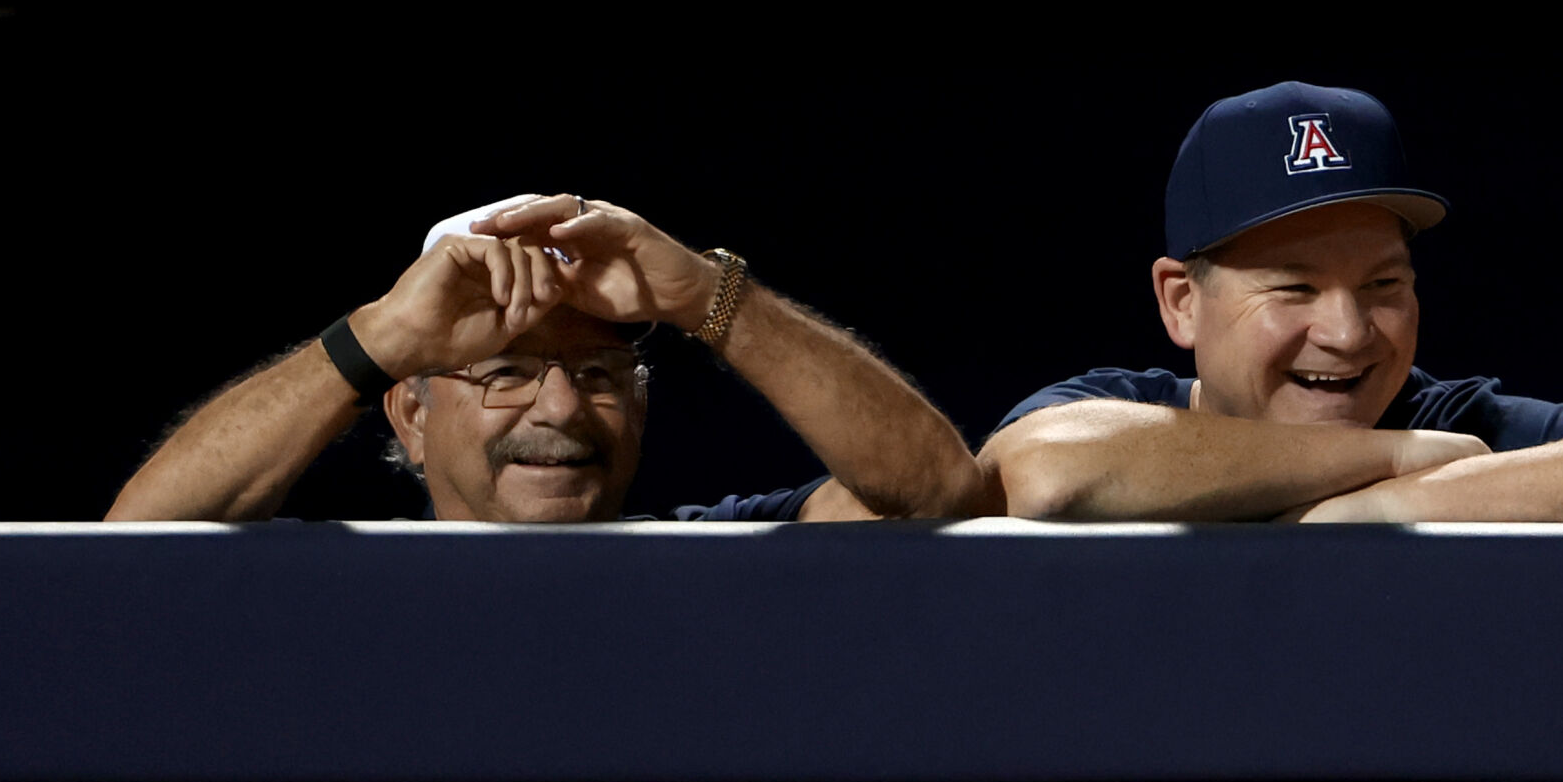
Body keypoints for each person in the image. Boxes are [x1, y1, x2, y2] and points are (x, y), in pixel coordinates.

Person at [979, 81, 1563, 524]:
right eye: (1295, 288)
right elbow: (1051, 472)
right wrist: (1393, 460)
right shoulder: (1123, 413)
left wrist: (1388, 508)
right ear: (1180, 302)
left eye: (1384, 286)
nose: (1347, 334)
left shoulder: (1450, 425)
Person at [107, 194, 982, 523]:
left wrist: (707, 301)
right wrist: (380, 340)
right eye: (505, 373)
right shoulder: (348, 582)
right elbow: (132, 548)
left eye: (599, 376)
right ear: (411, 415)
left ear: (640, 409)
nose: (561, 411)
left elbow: (938, 492)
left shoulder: (716, 560)